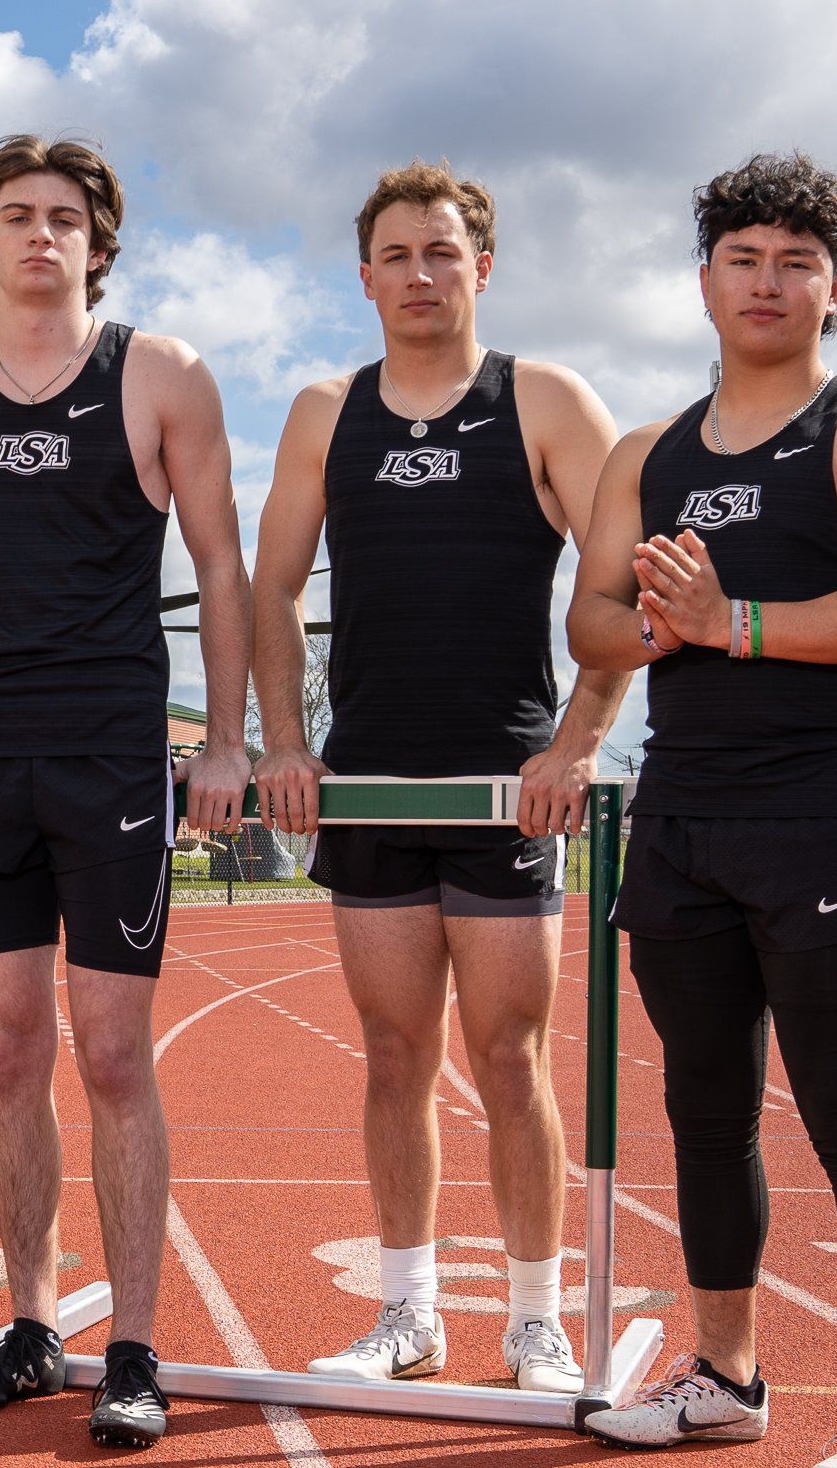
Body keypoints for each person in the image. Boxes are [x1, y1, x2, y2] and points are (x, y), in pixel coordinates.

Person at [564, 153, 837, 1468]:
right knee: (702, 1105)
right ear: (705, 281)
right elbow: (591, 621)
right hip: (684, 813)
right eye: (745, 258)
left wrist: (727, 622)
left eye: (797, 262)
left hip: (820, 813)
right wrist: (662, 625)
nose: (768, 282)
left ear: (834, 287)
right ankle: (723, 1377)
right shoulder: (647, 454)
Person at [247, 161, 627, 1397]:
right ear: (365, 278)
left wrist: (575, 741)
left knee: (509, 1055)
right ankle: (406, 1313)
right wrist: (282, 742)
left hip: (502, 787)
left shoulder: (544, 401)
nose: (419, 274)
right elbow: (268, 587)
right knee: (391, 1052)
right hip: (368, 783)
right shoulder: (323, 412)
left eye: (442, 252)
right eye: (397, 256)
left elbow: (618, 578)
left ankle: (534, 1319)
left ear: (482, 267)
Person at [0, 134, 251, 1450]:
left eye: (63, 217)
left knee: (108, 1049)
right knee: (5, 1049)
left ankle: (135, 1346)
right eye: (16, 216)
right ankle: (32, 1323)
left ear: (97, 243)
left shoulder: (160, 373)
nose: (38, 235)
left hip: (108, 750)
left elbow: (219, 564)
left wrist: (226, 739)